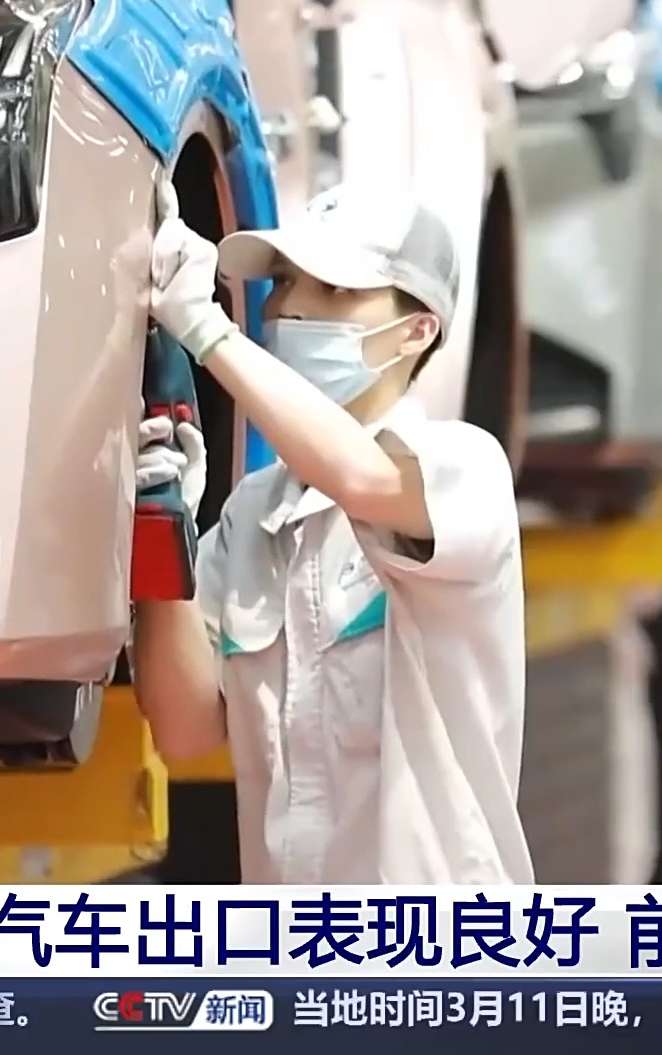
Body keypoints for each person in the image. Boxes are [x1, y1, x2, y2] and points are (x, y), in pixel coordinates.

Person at [128, 183, 534, 884]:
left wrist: (207, 331)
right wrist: (164, 525)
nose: (290, 307)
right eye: (285, 282)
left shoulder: (464, 469)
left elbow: (362, 480)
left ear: (417, 331)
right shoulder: (253, 515)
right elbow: (186, 731)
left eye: (336, 289)